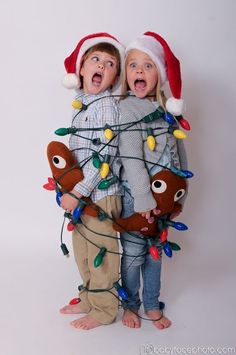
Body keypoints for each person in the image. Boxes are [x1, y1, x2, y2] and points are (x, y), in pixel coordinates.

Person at [118, 31, 188, 329]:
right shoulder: (127, 109)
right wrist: (143, 199)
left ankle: (151, 303)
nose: (139, 71)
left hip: (164, 199)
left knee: (156, 255)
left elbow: (181, 159)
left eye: (148, 66)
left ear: (158, 75)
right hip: (137, 198)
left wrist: (180, 198)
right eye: (133, 65)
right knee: (134, 253)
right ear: (127, 74)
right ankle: (130, 305)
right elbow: (132, 158)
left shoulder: (167, 112)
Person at [59, 33, 125, 330]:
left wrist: (78, 190)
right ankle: (89, 296)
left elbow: (105, 158)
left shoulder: (106, 106)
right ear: (82, 68)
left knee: (102, 254)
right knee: (83, 249)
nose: (102, 65)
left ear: (113, 77)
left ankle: (105, 309)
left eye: (110, 63)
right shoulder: (82, 104)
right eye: (96, 59)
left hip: (101, 194)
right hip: (82, 195)